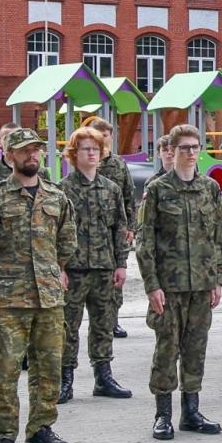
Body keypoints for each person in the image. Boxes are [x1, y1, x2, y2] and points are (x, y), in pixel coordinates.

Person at [0, 128, 77, 443]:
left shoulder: (56, 197)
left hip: (49, 300)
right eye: (25, 150)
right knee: (6, 368)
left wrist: (52, 271)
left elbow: (67, 241)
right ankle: (5, 435)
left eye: (36, 150)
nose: (32, 155)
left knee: (48, 367)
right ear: (10, 155)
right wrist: (1, 276)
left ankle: (41, 428)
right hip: (10, 300)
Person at [136, 124, 222, 439]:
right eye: (184, 147)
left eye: (194, 147)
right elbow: (144, 241)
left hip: (201, 284)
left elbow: (219, 234)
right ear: (171, 152)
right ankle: (163, 414)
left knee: (195, 348)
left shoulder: (209, 189)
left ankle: (191, 411)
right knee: (166, 349)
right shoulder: (158, 189)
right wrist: (152, 285)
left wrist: (218, 278)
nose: (190, 153)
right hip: (169, 285)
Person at [58, 126, 132, 403]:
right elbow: (57, 231)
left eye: (95, 149)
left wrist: (121, 263)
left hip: (103, 266)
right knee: (68, 326)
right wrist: (60, 267)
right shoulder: (63, 190)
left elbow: (118, 228)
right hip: (74, 268)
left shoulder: (110, 189)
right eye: (86, 149)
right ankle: (65, 380)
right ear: (74, 154)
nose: (91, 154)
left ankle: (103, 377)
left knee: (103, 324)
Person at [86, 117, 136, 340]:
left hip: (115, 229)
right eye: (99, 136)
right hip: (91, 230)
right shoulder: (87, 162)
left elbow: (128, 197)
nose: (103, 140)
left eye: (106, 135)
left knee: (116, 275)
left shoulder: (118, 164)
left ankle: (114, 319)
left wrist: (130, 227)